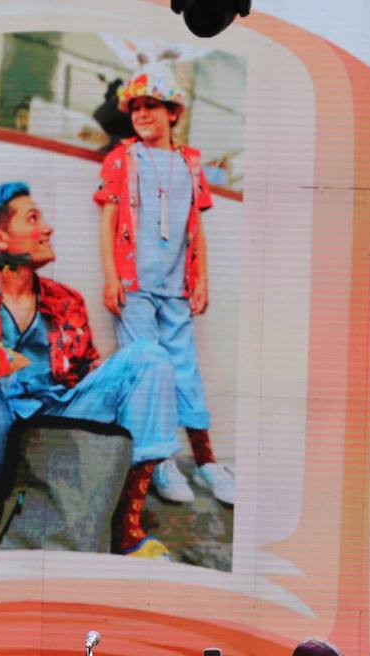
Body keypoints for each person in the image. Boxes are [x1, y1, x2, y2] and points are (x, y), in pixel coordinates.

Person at [0, 181, 180, 559]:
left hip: (55, 437)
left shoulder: (66, 301)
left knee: (149, 357)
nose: (47, 228)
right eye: (33, 218)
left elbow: (91, 382)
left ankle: (127, 526)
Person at [95, 63, 235, 506]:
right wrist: (111, 277)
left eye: (151, 105)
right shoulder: (122, 157)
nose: (141, 114)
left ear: (172, 112)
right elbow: (110, 218)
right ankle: (160, 463)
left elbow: (196, 227)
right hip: (134, 284)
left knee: (184, 370)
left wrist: (203, 279)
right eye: (135, 107)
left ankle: (208, 462)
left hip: (176, 284)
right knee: (148, 370)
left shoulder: (191, 164)